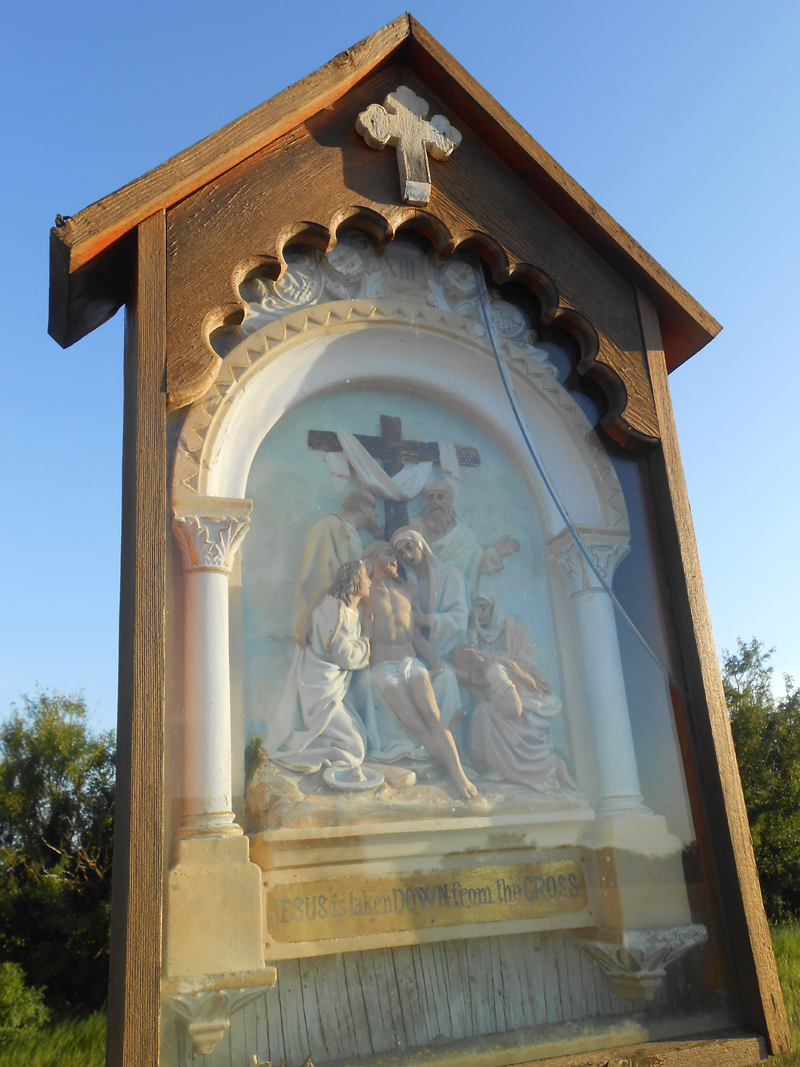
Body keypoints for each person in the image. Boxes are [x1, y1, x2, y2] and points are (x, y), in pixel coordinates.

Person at [360, 542, 478, 799]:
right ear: (372, 559)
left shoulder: (409, 592)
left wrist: (433, 658)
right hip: (384, 667)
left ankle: (459, 773)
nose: (395, 560)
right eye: (389, 554)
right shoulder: (364, 594)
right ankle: (453, 767)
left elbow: (414, 634)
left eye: (396, 556)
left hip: (411, 662)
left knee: (433, 715)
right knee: (416, 724)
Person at [267, 560, 372, 774]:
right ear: (355, 581)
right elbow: (344, 655)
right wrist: (367, 638)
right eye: (366, 577)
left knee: (357, 738)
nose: (370, 582)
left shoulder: (346, 608)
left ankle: (318, 746)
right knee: (355, 748)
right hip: (320, 690)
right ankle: (312, 755)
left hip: (330, 687)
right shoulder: (334, 608)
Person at [450, 645, 574, 792]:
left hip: (529, 718)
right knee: (486, 711)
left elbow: (513, 709)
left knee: (483, 711)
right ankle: (504, 768)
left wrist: (488, 695)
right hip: (536, 714)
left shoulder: (494, 670)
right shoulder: (502, 661)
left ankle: (548, 766)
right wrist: (470, 684)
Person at [295, 488, 382, 630]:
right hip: (327, 613)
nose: (375, 515)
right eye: (372, 508)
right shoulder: (332, 525)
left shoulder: (348, 531)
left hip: (341, 612)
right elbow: (320, 573)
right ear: (362, 506)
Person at [408, 481, 519, 590]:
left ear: (449, 501)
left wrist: (497, 552)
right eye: (430, 497)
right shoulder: (415, 525)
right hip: (425, 590)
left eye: (440, 497)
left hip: (455, 595)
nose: (435, 502)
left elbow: (475, 558)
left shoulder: (461, 532)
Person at [468, 589, 537, 669]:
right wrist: (472, 632)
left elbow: (525, 659)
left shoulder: (513, 626)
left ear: (494, 610)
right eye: (475, 609)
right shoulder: (472, 628)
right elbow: (472, 658)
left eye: (483, 608)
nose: (478, 614)